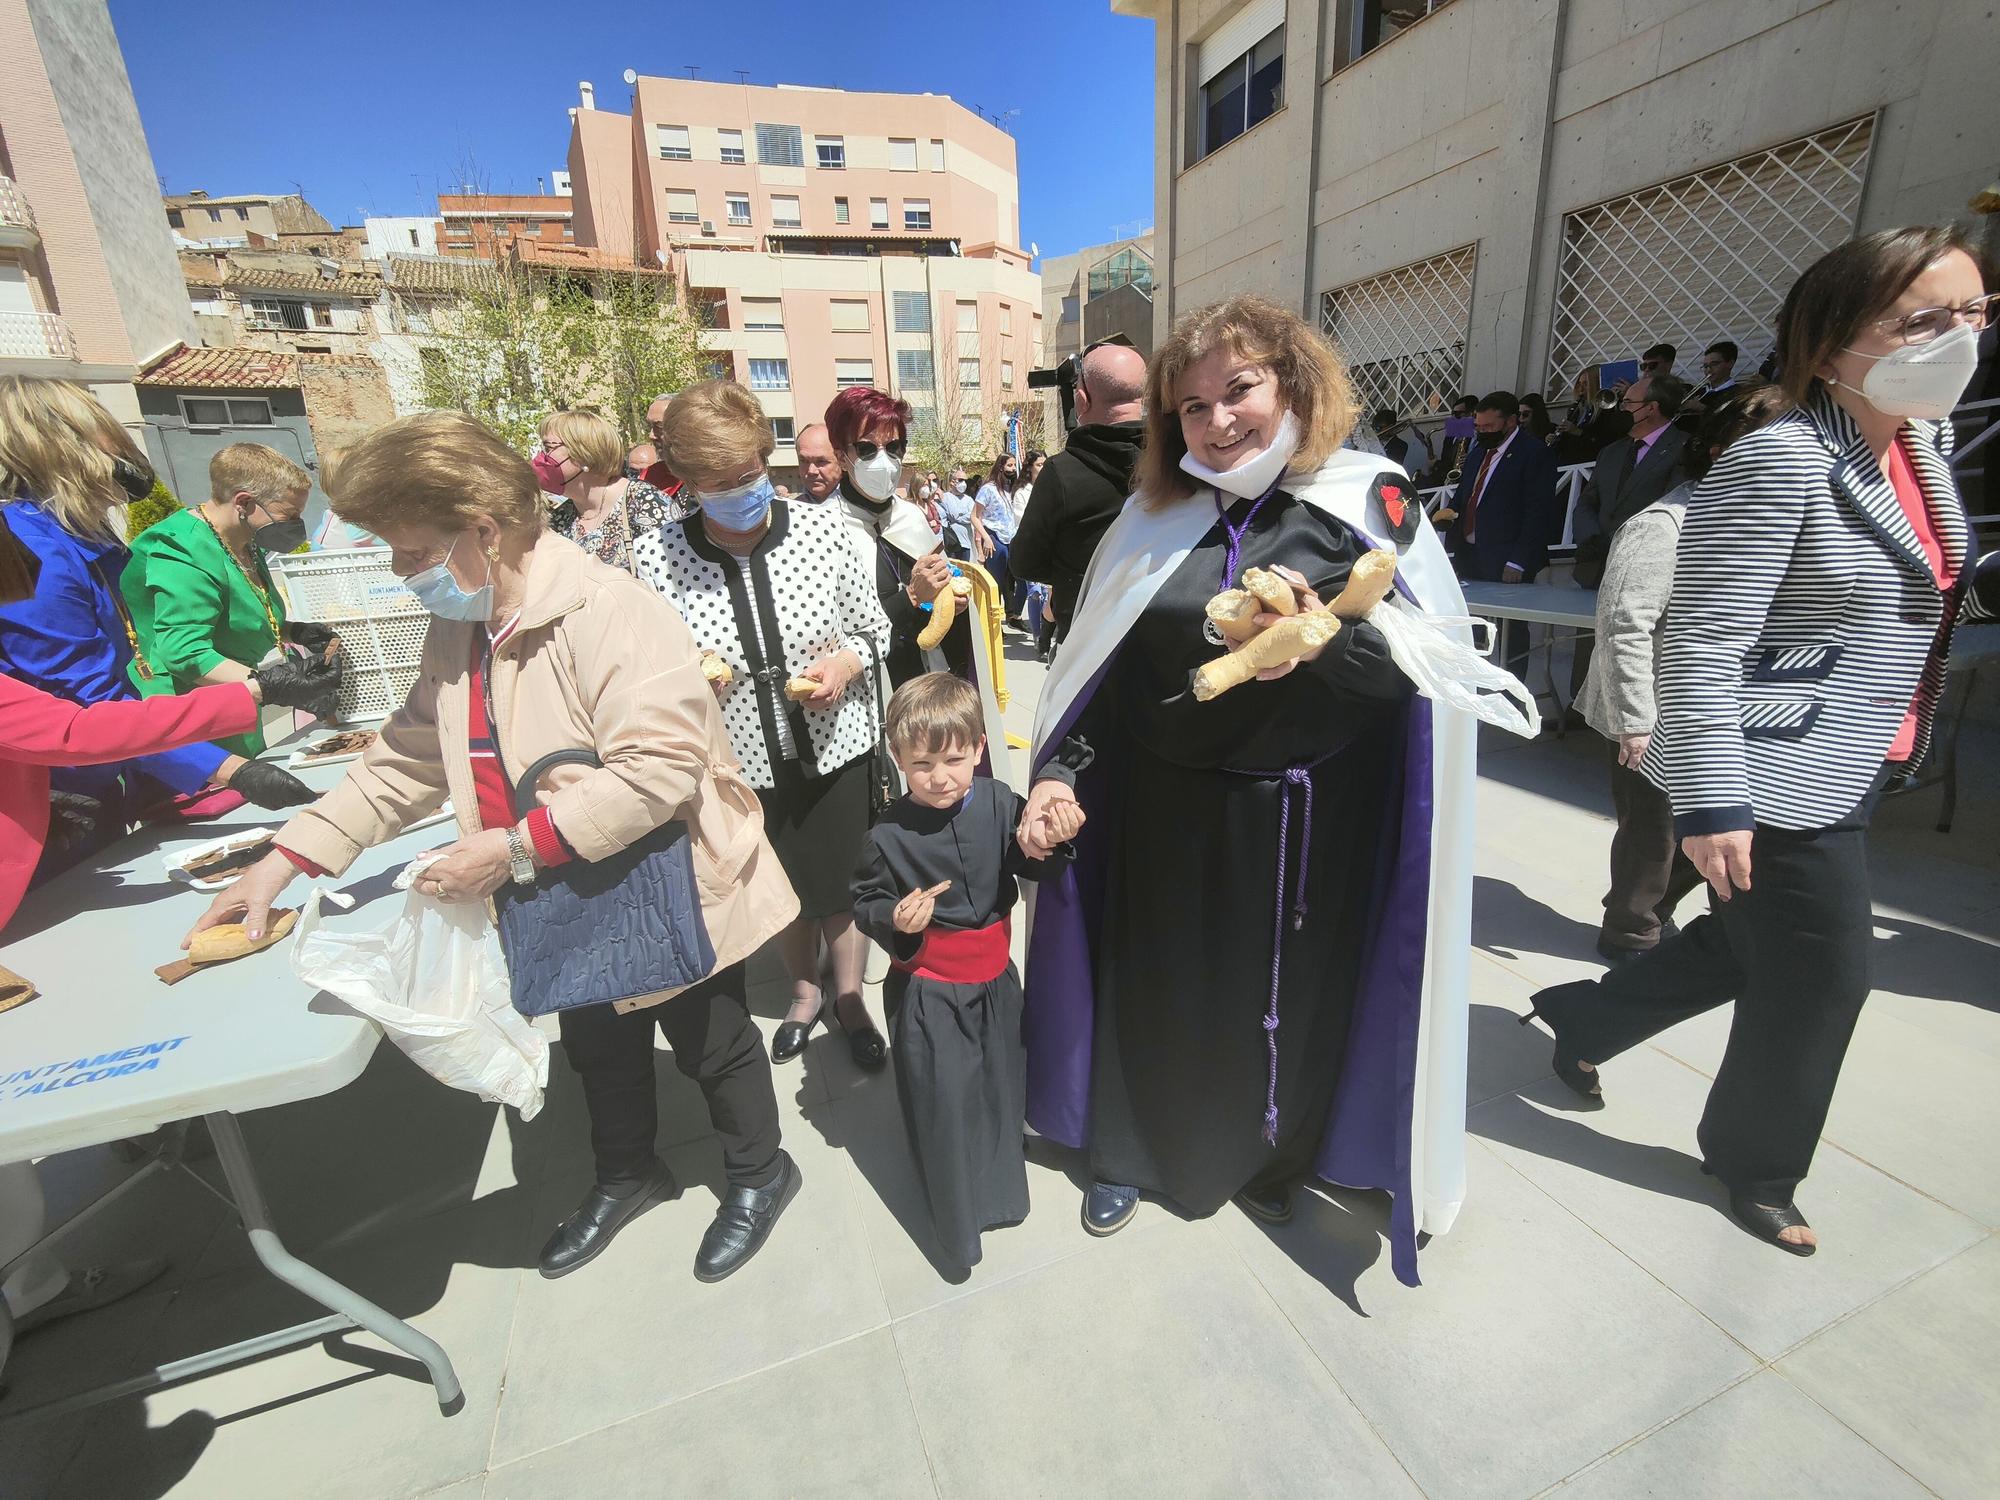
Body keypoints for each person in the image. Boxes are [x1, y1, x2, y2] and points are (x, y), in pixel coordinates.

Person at [187, 411, 802, 1283]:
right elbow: (404, 757)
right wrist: (283, 860)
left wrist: (514, 851)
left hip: (665, 883)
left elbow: (656, 771)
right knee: (596, 1043)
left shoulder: (612, 612)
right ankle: (629, 1173)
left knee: (712, 1042)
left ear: (482, 531)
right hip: (557, 885)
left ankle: (760, 1172)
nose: (403, 575)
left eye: (410, 553)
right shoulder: (465, 626)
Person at [1523, 227, 2000, 1256]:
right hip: (1774, 775)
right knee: (1824, 978)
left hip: (1861, 752)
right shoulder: (1779, 459)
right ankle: (1753, 1164)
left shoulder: (1918, 444)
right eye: (1922, 320)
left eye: (1974, 314)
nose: (1958, 338)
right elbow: (1702, 640)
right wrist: (1710, 803)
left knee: (1739, 946)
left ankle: (1580, 1017)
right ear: (1827, 346)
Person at [1018, 294, 1477, 1286]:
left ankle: (1278, 1153)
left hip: (1310, 823)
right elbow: (1096, 683)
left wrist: (1325, 648)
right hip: (1162, 815)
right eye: (1190, 407)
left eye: (1239, 391)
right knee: (1153, 993)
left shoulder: (1369, 502)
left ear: (1293, 385)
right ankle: (1126, 1153)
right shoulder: (1145, 523)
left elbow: (1424, 679)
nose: (1218, 421)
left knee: (1289, 1000)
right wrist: (1057, 771)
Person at [632, 379, 893, 1072]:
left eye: (749, 474)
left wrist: (844, 662)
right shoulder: (655, 557)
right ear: (686, 480)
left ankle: (848, 998)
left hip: (835, 746)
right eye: (717, 482)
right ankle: (802, 993)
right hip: (739, 758)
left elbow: (877, 630)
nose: (738, 492)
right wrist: (692, 676)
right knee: (781, 889)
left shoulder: (824, 529)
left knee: (840, 885)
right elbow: (645, 669)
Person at [0, 378, 315, 878]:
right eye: (112, 439)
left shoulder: (68, 543)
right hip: (54, 798)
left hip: (124, 762)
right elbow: (88, 707)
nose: (126, 455)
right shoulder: (35, 556)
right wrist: (229, 765)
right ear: (66, 447)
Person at [851, 673, 1080, 1272]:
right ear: (897, 757)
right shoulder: (887, 833)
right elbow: (865, 901)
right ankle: (956, 1224)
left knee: (1000, 1084)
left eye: (954, 759)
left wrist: (1040, 846)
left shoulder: (1000, 801)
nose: (939, 776)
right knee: (944, 1097)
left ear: (979, 748)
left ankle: (1000, 1190)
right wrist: (896, 920)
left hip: (996, 984)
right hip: (930, 992)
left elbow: (1023, 857)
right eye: (921, 762)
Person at [1578, 384, 1790, 965]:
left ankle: (1642, 906)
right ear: (1728, 451)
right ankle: (1630, 932)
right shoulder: (1664, 524)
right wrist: (1634, 721)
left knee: (1711, 830)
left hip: (1715, 713)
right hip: (1652, 715)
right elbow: (1625, 624)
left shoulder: (1758, 520)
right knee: (1653, 835)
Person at [122, 443, 332, 758]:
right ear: (244, 503)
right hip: (190, 720)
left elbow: (238, 617)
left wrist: (296, 632)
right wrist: (275, 685)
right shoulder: (183, 550)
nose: (295, 525)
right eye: (289, 515)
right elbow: (183, 651)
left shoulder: (244, 542)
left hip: (236, 709)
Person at [1011, 341, 1149, 650]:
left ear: (1081, 400)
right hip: (1160, 638)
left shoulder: (1061, 473)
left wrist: (1076, 570)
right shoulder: (1180, 462)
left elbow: (1024, 563)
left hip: (1087, 644)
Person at [1568, 373, 1692, 585]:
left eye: (1627, 403)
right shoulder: (1611, 452)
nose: (1620, 409)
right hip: (1594, 569)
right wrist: (1590, 539)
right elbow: (1587, 501)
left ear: (1651, 408)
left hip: (1644, 572)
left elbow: (1672, 507)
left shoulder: (1685, 448)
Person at [539, 408, 682, 573]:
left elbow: (675, 582)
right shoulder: (559, 519)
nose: (542, 458)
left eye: (549, 448)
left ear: (584, 454)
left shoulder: (646, 503)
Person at [971, 453, 1020, 620]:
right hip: (994, 537)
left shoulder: (1012, 489)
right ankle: (993, 620)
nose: (1013, 469)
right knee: (996, 582)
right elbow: (975, 516)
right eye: (1009, 466)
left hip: (1011, 537)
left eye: (1014, 465)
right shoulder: (988, 489)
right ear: (1001, 467)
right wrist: (986, 537)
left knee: (1012, 579)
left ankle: (1012, 615)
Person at [641, 392, 683, 494]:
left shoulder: (711, 477)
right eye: (650, 426)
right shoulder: (650, 476)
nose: (651, 435)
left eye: (659, 427)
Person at [1373, 407, 1434, 476]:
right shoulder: (1373, 443)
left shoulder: (1400, 445)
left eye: (1379, 428)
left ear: (1391, 427)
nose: (1376, 431)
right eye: (1374, 428)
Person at [794, 421, 841, 502]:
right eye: (804, 461)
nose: (811, 471)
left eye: (821, 461)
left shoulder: (864, 507)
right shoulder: (789, 510)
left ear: (842, 460)